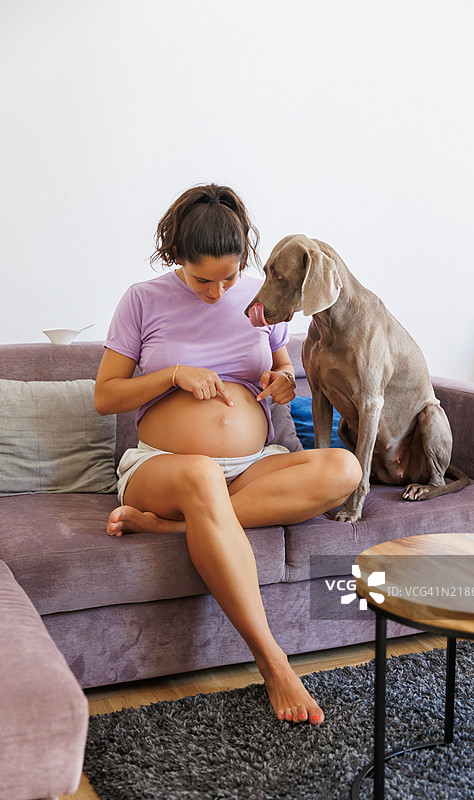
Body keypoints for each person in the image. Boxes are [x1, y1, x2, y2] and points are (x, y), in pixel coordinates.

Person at [94, 183, 362, 725]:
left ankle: (182, 527)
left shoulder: (263, 300)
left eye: (231, 277)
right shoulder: (142, 300)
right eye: (202, 280)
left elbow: (283, 367)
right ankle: (273, 661)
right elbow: (106, 396)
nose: (219, 292)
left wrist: (285, 381)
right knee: (199, 476)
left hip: (253, 465)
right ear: (176, 259)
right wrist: (170, 375)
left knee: (345, 467)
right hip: (162, 468)